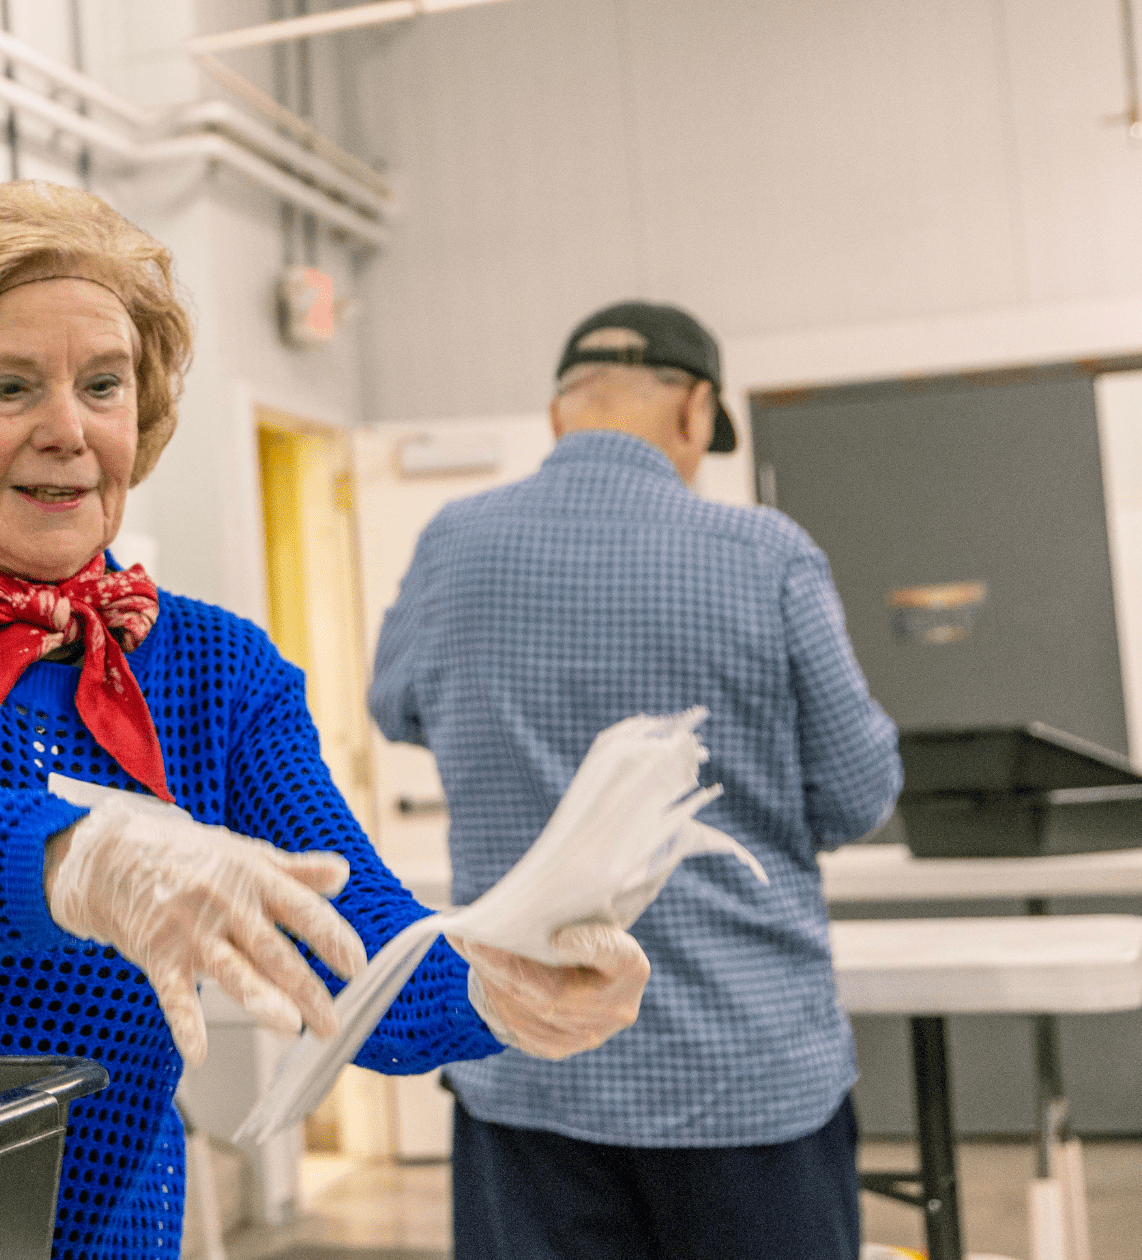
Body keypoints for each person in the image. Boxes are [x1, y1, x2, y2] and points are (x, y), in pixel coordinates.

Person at [0, 182, 651, 1258]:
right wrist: (78, 860)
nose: (66, 430)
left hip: (95, 1237)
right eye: (11, 385)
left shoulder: (218, 670)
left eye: (102, 385)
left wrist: (503, 983)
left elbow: (356, 946)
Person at [368, 301, 902, 1260]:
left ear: (558, 414)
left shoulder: (454, 544)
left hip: (523, 1066)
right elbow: (859, 794)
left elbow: (396, 709)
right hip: (743, 1077)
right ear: (695, 412)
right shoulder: (769, 555)